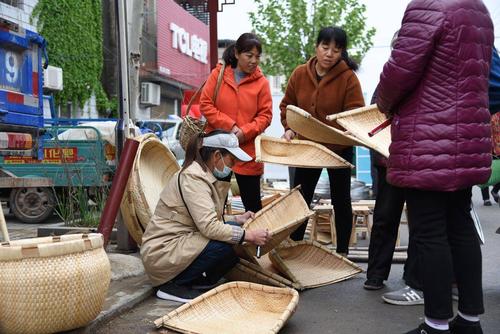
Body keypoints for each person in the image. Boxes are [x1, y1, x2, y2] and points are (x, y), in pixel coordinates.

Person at [376, 0, 493, 333]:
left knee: (429, 233)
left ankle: (436, 324)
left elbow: (400, 70)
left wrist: (383, 103)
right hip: (468, 136)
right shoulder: (479, 11)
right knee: (460, 225)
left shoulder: (427, 7)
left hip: (429, 138)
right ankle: (470, 320)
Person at [141, 131, 271, 303]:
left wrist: (238, 220)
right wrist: (250, 235)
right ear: (217, 156)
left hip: (178, 244)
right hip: (163, 253)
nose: (233, 167)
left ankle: (195, 282)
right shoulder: (193, 178)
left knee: (233, 239)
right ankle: (173, 285)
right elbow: (209, 227)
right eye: (232, 161)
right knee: (228, 243)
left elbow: (206, 218)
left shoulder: (202, 176)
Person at [279, 26, 364, 255]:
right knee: (302, 197)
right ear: (316, 47)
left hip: (338, 147)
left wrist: (339, 131)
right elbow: (287, 106)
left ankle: (343, 251)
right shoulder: (299, 73)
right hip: (308, 147)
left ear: (342, 52)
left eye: (336, 50)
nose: (329, 54)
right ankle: (295, 248)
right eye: (325, 47)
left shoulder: (348, 78)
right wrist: (289, 128)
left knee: (341, 199)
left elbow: (355, 114)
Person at [200, 33, 272, 214]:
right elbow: (205, 104)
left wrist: (244, 132)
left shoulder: (262, 83)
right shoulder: (218, 74)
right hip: (217, 149)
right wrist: (230, 126)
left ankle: (253, 241)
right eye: (249, 55)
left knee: (253, 207)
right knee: (212, 205)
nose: (254, 61)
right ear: (237, 53)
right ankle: (216, 242)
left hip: (246, 151)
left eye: (257, 56)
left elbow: (265, 116)